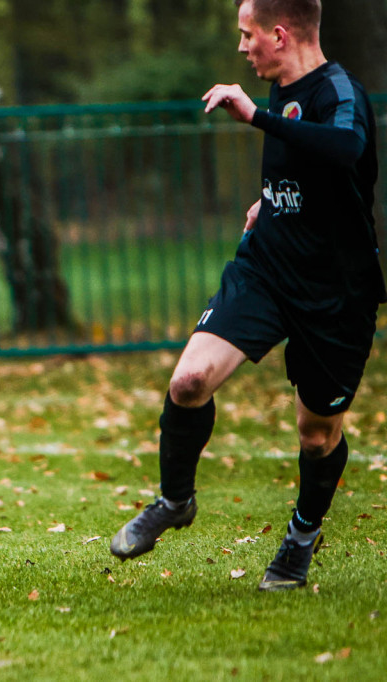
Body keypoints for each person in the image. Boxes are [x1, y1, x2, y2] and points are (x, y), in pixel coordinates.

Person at [111, 0, 383, 592]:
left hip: (337, 292)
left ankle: (300, 541)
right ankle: (175, 500)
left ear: (279, 35)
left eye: (247, 34)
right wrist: (274, 200)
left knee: (317, 434)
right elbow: (311, 175)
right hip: (266, 269)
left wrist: (256, 116)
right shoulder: (286, 91)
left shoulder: (339, 92)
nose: (242, 48)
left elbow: (344, 151)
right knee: (188, 382)